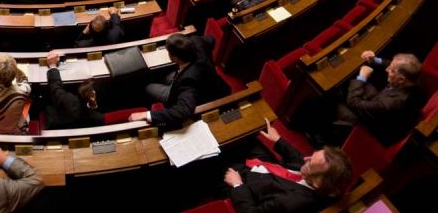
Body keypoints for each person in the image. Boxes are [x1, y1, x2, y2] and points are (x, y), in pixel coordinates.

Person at [223, 118, 353, 213]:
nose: (305, 159)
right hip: (270, 169)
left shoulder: (289, 202)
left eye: (310, 163)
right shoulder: (321, 180)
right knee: (245, 134)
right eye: (312, 155)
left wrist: (237, 185)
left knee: (220, 152)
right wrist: (278, 139)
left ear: (318, 182)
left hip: (246, 179)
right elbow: (299, 159)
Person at [129, 33, 230, 128]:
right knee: (164, 76)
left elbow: (183, 111)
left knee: (147, 87)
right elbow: (210, 39)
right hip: (196, 76)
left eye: (168, 52)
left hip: (187, 91)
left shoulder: (189, 81)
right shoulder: (196, 41)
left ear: (176, 58)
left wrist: (147, 114)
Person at [331, 51, 425, 146]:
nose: (387, 69)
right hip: (384, 106)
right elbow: (393, 66)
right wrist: (375, 60)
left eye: (391, 70)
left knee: (335, 103)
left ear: (401, 80)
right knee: (354, 84)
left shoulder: (389, 103)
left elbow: (353, 102)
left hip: (376, 127)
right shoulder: (414, 78)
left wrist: (362, 77)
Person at [44, 52, 104, 129]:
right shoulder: (99, 118)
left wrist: (52, 66)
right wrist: (91, 105)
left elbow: (56, 88)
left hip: (59, 125)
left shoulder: (69, 101)